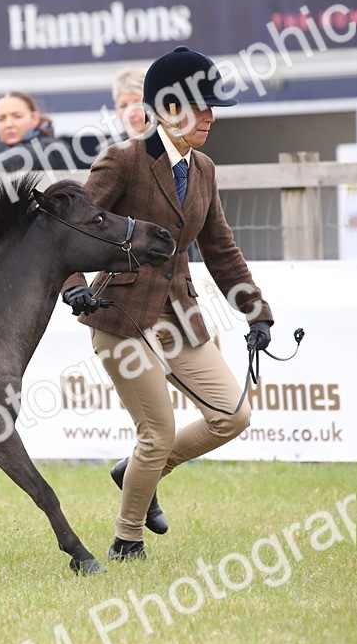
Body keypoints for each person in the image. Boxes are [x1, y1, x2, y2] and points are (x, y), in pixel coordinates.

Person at [60, 45, 274, 563]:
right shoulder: (124, 160)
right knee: (156, 433)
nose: (211, 116)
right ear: (168, 108)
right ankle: (126, 540)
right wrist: (73, 285)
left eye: (212, 107)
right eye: (201, 106)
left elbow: (220, 249)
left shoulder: (204, 169)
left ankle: (134, 472)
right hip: (120, 316)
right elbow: (68, 228)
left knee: (233, 416)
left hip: (179, 315)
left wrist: (257, 311)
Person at [112, 66, 150, 138]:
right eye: (123, 106)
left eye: (137, 104)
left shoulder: (171, 142)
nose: (130, 114)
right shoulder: (111, 145)